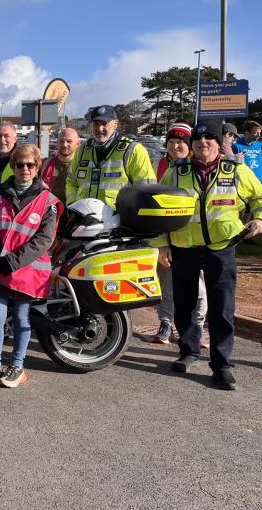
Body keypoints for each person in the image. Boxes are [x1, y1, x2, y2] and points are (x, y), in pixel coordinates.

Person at [157, 119, 262, 390]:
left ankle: (221, 363)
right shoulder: (176, 172)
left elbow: (259, 197)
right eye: (198, 140)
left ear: (219, 143)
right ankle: (189, 351)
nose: (203, 143)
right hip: (184, 247)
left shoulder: (236, 170)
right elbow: (159, 208)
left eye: (209, 140)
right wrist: (161, 244)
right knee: (186, 304)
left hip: (222, 248)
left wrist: (259, 218)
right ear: (192, 145)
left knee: (222, 308)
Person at [0, 144, 62, 389]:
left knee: (20, 318)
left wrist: (13, 262)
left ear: (37, 168)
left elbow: (44, 239)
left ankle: (17, 366)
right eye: (19, 164)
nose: (24, 169)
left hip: (26, 271)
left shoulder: (47, 201)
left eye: (30, 165)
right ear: (13, 166)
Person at [151, 122, 207, 345]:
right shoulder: (158, 165)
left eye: (181, 142)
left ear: (189, 145)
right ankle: (165, 323)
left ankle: (199, 326)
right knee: (165, 281)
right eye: (172, 141)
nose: (176, 146)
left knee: (199, 283)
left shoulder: (197, 166)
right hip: (164, 233)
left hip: (193, 235)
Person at [66, 104, 156, 209]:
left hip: (119, 221)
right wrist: (72, 206)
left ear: (115, 124)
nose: (99, 128)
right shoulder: (81, 151)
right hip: (84, 219)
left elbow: (147, 190)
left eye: (104, 123)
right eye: (96, 123)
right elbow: (71, 183)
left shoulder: (133, 150)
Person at [40, 126, 79, 205]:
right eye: (61, 141)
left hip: (74, 214)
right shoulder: (44, 164)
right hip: (49, 214)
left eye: (69, 141)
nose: (64, 145)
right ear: (57, 143)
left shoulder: (83, 166)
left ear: (77, 144)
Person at [232, 120, 262, 184]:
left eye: (260, 133)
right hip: (245, 184)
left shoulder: (260, 145)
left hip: (259, 184)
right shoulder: (236, 146)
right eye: (256, 133)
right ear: (247, 132)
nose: (259, 135)